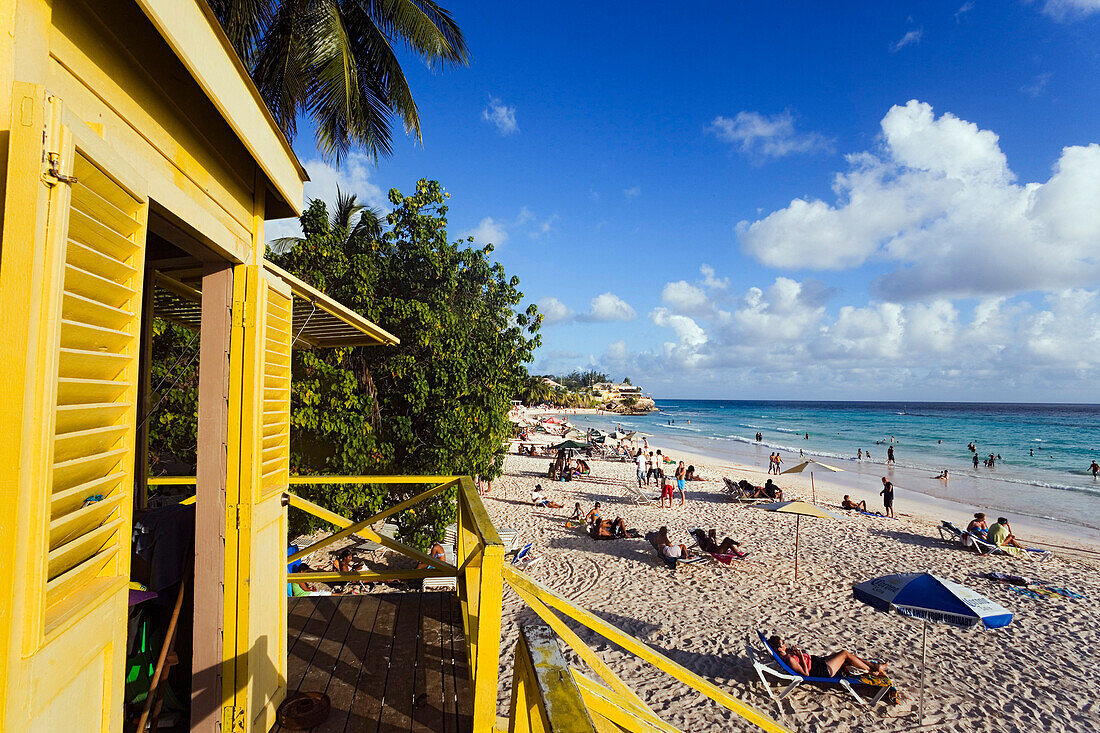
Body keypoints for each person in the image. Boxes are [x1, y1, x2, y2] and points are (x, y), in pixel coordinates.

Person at [767, 635, 887, 678]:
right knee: (845, 654)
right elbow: (805, 674)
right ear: (779, 649)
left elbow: (789, 652)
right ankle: (872, 670)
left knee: (846, 655)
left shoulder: (785, 654)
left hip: (819, 662)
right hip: (821, 670)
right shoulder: (789, 659)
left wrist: (792, 651)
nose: (785, 644)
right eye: (783, 643)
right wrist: (801, 657)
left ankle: (875, 667)